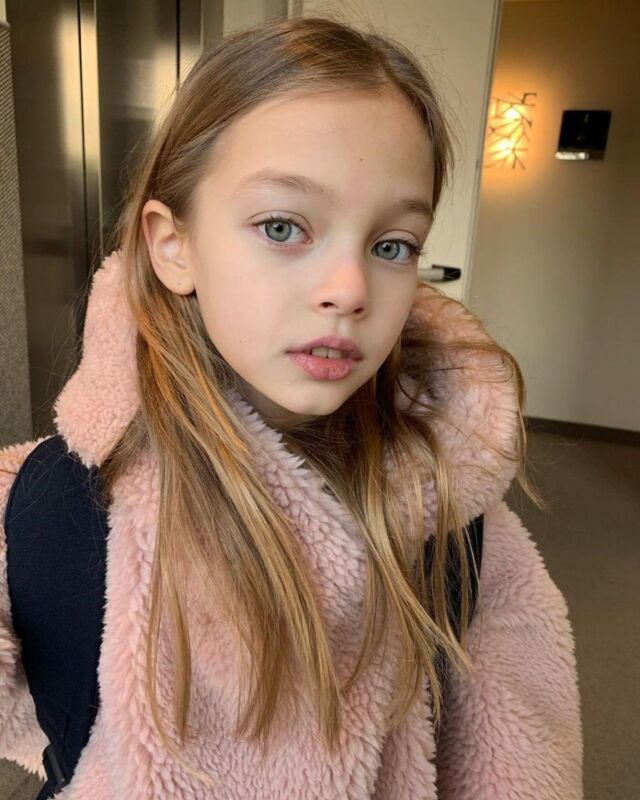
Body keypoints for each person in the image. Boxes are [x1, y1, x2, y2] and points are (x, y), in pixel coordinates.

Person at [0, 14, 583, 799]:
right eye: (283, 227)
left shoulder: (455, 520)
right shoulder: (49, 502)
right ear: (174, 245)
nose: (349, 289)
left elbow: (521, 763)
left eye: (391, 245)